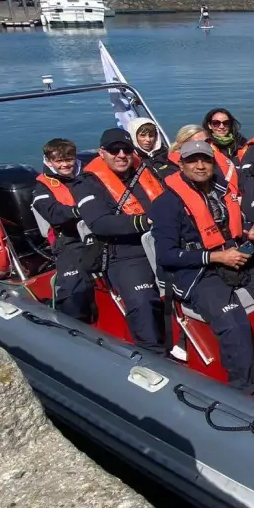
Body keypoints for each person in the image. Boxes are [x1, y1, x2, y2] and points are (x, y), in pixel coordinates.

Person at [153, 138, 254, 391]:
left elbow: (231, 228)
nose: (200, 165)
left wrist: (249, 234)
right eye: (193, 160)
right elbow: (166, 255)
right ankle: (245, 390)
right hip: (197, 272)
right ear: (181, 165)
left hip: (233, 259)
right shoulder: (166, 204)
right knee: (233, 320)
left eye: (206, 160)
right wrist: (216, 257)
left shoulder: (221, 191)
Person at [75, 127, 166, 354]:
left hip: (163, 241)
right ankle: (154, 356)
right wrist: (145, 222)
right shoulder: (86, 184)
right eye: (114, 150)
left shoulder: (146, 170)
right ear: (102, 152)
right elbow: (99, 223)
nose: (122, 155)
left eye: (126, 149)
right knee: (143, 300)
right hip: (125, 252)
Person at [31, 138, 96, 322]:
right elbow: (52, 212)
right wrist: (79, 210)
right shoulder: (42, 187)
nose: (65, 165)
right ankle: (74, 325)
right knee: (74, 289)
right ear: (49, 161)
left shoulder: (88, 175)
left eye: (68, 159)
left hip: (99, 232)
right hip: (69, 240)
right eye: (59, 161)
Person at [200, 108, 244, 200]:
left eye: (225, 123)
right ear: (209, 125)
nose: (221, 126)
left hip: (241, 193)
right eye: (216, 123)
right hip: (218, 195)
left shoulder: (241, 143)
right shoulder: (204, 146)